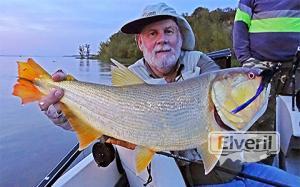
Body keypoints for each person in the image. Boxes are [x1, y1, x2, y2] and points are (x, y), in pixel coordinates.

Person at [39, 2, 300, 186]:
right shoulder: (126, 80)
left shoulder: (204, 68)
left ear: (180, 38)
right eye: (152, 34)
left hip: (227, 174)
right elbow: (99, 119)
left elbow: (233, 126)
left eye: (168, 31)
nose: (161, 39)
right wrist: (63, 114)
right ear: (140, 43)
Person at [233, 0, 300, 152]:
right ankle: (261, 165)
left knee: (294, 125)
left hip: (295, 68)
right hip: (259, 69)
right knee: (259, 124)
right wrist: (246, 59)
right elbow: (240, 25)